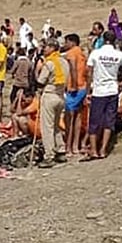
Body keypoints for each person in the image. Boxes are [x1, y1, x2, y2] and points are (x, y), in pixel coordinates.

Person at [85, 31, 122, 159]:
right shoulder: (118, 54)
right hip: (112, 90)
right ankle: (103, 149)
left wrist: (87, 91)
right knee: (109, 121)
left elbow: (89, 73)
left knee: (94, 121)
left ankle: (94, 150)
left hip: (99, 90)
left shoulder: (96, 53)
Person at [35, 39, 68, 168]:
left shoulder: (49, 63)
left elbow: (40, 82)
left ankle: (49, 155)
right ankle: (60, 150)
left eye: (46, 47)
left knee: (47, 127)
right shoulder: (64, 62)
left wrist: (37, 71)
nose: (44, 49)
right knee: (56, 126)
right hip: (60, 95)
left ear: (52, 48)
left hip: (50, 95)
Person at [63, 34, 88, 155]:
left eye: (66, 42)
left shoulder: (71, 53)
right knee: (78, 117)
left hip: (74, 88)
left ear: (72, 42)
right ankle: (75, 146)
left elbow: (72, 68)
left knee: (69, 118)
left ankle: (68, 147)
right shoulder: (82, 53)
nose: (65, 44)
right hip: (83, 86)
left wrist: (73, 84)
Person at [8, 48, 32, 113]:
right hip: (25, 82)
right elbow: (30, 71)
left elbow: (12, 70)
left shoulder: (18, 61)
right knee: (24, 97)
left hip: (17, 82)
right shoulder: (29, 62)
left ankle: (14, 108)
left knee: (13, 96)